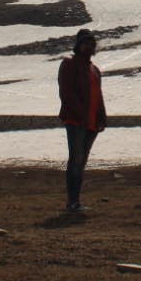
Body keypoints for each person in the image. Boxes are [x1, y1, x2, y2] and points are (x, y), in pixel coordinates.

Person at [57, 28, 107, 213]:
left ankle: (75, 201)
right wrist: (82, 115)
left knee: (81, 161)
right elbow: (67, 93)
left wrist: (102, 117)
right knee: (76, 159)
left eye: (91, 44)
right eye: (85, 43)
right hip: (76, 121)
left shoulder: (94, 69)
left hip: (91, 123)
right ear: (78, 45)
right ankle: (72, 202)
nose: (89, 47)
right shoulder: (69, 64)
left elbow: (98, 95)